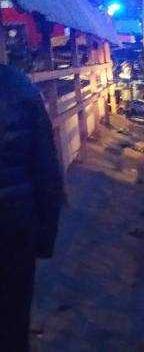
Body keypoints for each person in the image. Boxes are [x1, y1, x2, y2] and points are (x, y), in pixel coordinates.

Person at [0, 63, 65, 352]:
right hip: (15, 222)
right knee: (14, 312)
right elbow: (46, 168)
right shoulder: (20, 87)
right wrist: (45, 237)